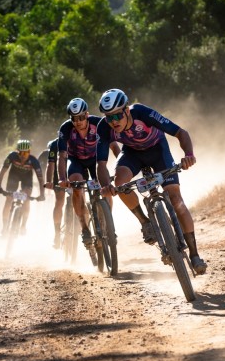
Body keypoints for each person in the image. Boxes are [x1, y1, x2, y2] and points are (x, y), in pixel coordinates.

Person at [95, 88, 207, 275]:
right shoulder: (104, 127)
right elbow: (101, 163)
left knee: (177, 200)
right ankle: (146, 223)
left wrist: (188, 155)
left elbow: (180, 132)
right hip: (132, 155)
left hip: (158, 151)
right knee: (120, 184)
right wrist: (107, 186)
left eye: (117, 116)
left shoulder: (142, 112)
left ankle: (195, 255)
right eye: (109, 117)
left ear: (127, 111)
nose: (113, 122)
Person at [57, 98, 120, 254]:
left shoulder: (99, 124)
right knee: (77, 186)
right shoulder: (65, 129)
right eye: (74, 118)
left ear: (87, 114)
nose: (77, 122)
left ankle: (108, 224)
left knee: (105, 186)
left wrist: (121, 166)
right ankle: (84, 228)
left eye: (81, 118)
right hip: (76, 160)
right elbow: (62, 156)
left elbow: (114, 147)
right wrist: (62, 178)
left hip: (95, 160)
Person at [0, 139, 45, 236]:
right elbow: (2, 171)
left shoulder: (34, 161)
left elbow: (40, 179)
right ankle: (4, 227)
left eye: (25, 153)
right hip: (13, 177)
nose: (22, 156)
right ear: (17, 152)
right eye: (20, 153)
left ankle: (23, 226)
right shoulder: (12, 156)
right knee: (8, 199)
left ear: (29, 152)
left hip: (27, 178)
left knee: (26, 198)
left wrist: (42, 194)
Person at [43, 137, 65, 249]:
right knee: (59, 201)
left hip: (75, 170)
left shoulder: (80, 138)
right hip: (59, 173)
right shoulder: (54, 144)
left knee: (81, 196)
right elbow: (50, 164)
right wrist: (49, 181)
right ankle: (57, 232)